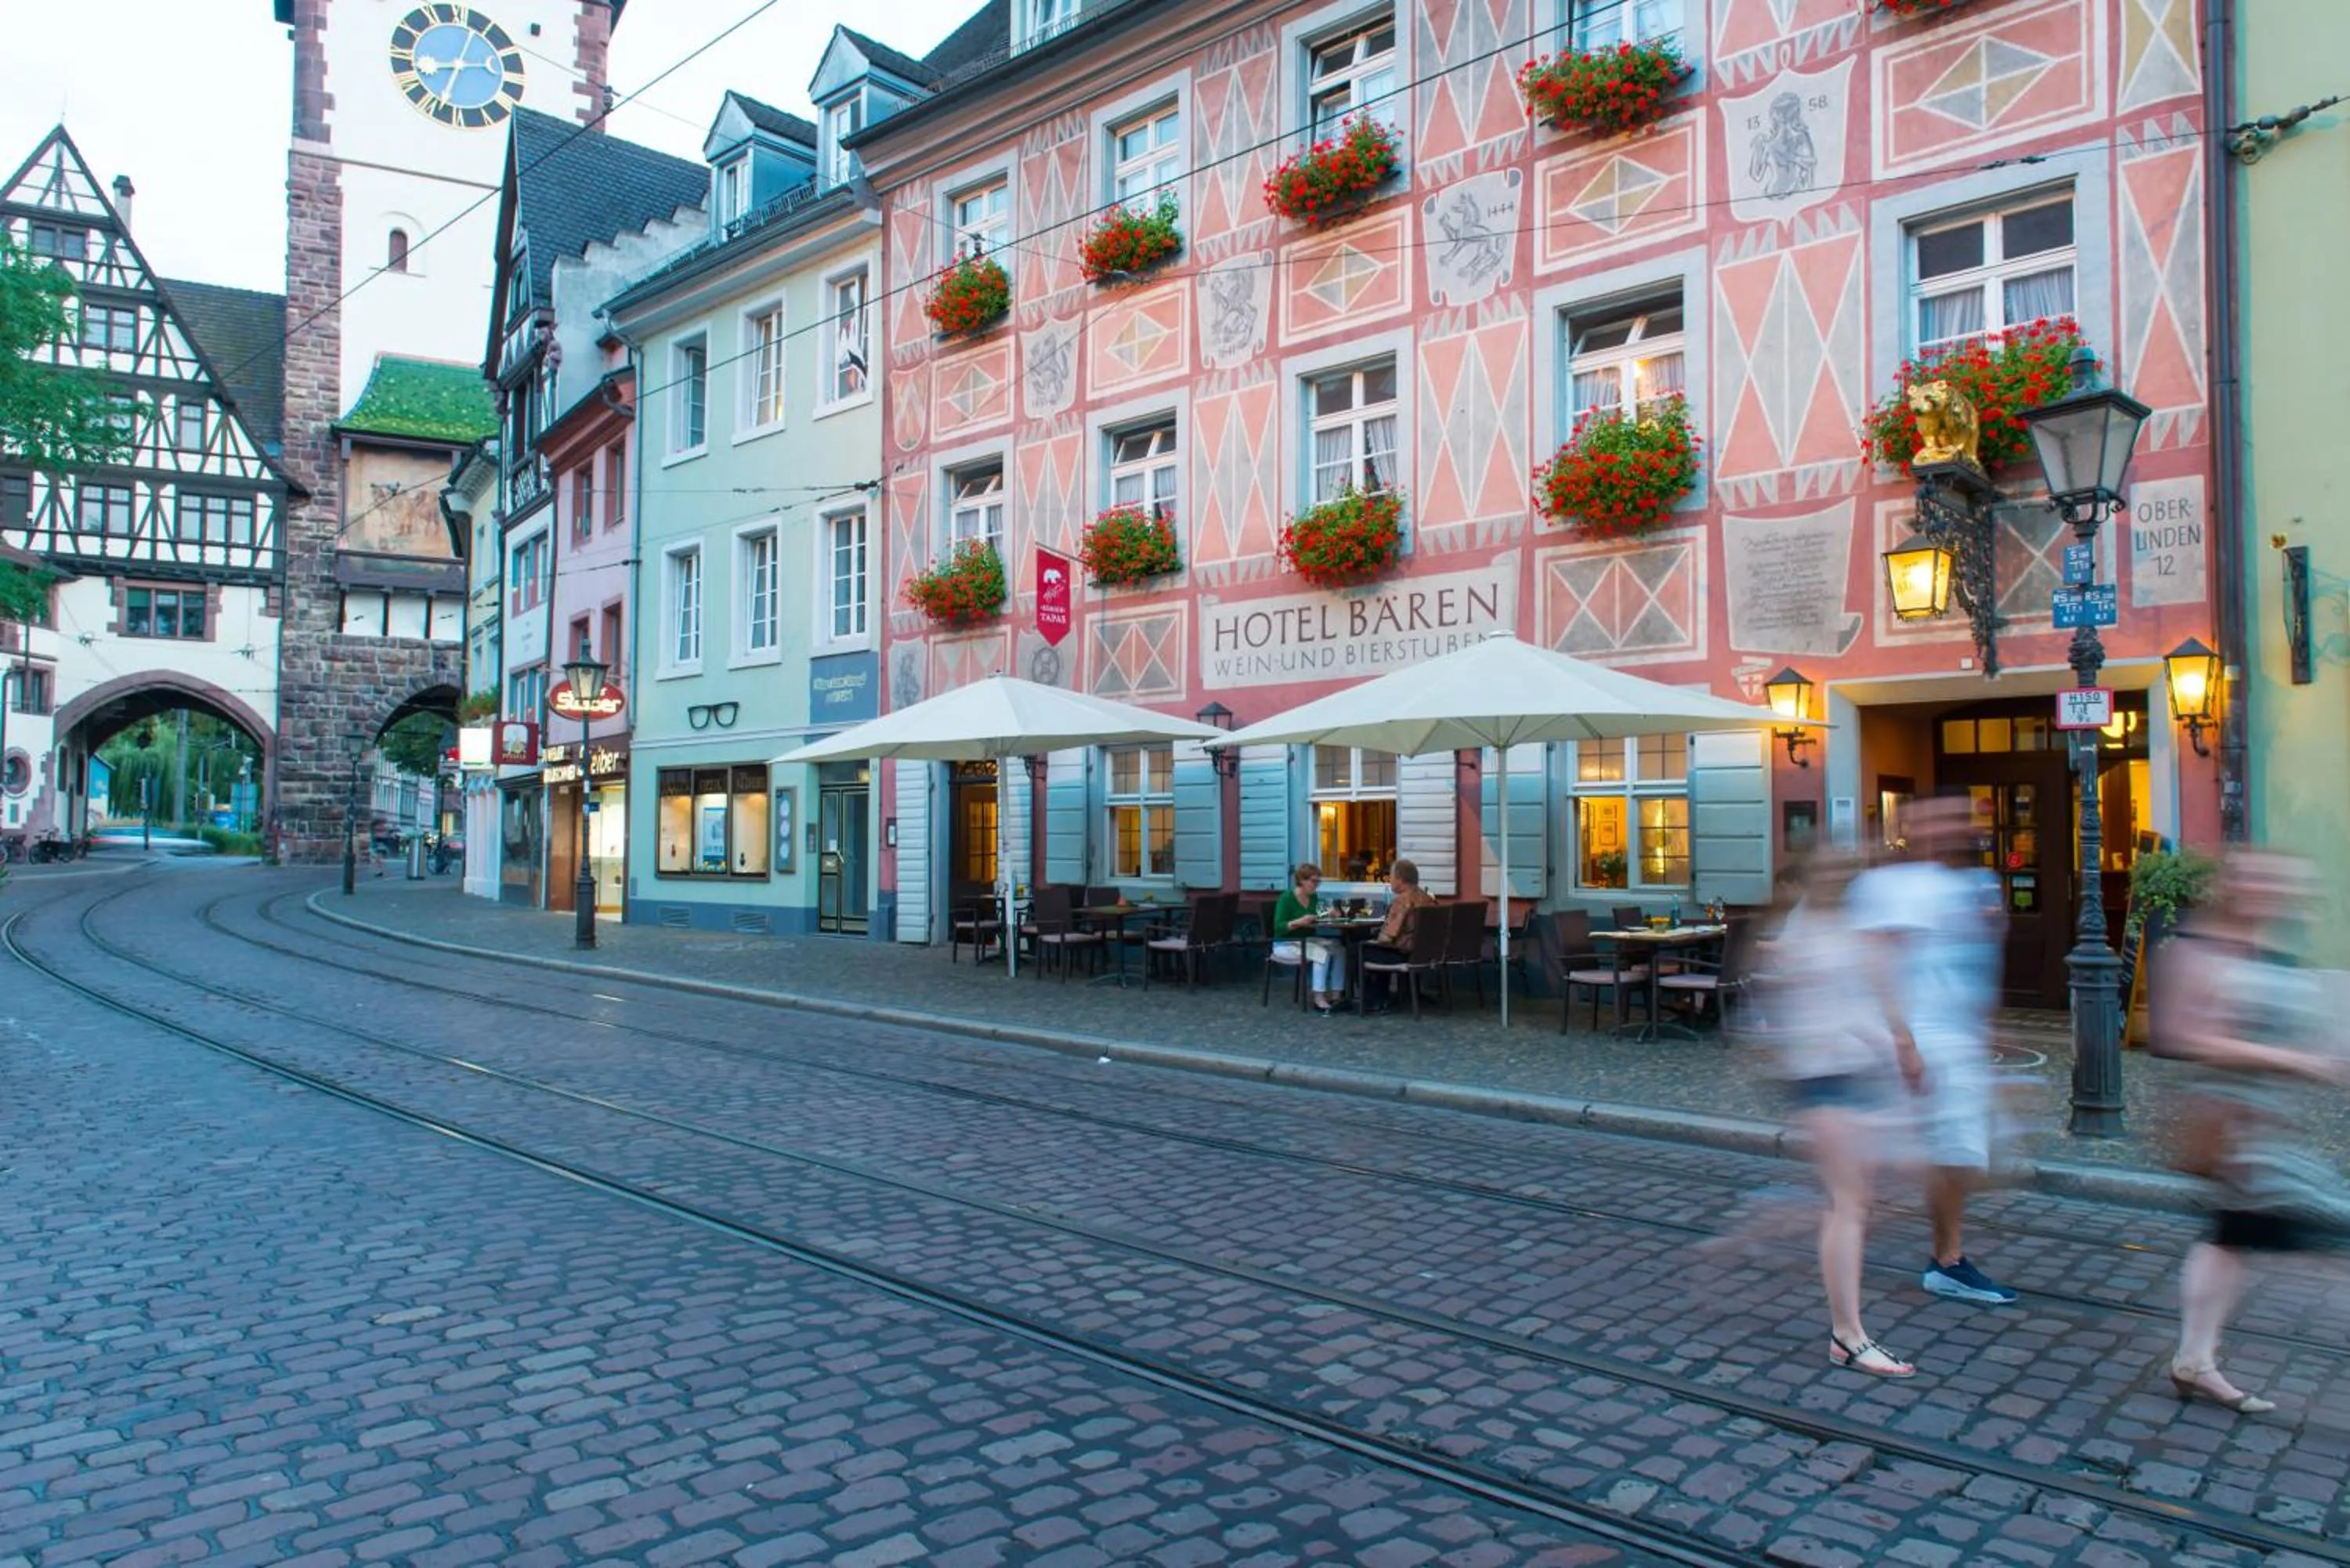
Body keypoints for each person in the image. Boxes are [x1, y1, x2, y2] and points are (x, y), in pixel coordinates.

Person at [2157, 851, 2350, 1413]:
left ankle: (2194, 1359)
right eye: (2261, 883)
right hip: (2235, 1132)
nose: (2275, 895)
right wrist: (2289, 1060)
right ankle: (2194, 1359)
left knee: (2228, 1240)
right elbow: (2182, 1037)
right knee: (2330, 1229)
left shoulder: (2270, 952)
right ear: (2233, 890)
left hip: (2264, 1133)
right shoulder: (2195, 950)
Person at [1846, 795, 2016, 1305]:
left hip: (1956, 1040)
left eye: (1954, 820)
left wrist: (1988, 1027)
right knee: (1954, 1154)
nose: (1946, 830)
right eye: (1933, 820)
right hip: (1924, 1040)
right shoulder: (1888, 886)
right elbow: (1877, 967)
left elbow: (1973, 962)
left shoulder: (1965, 885)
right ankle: (1945, 1260)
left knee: (1963, 1156)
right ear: (1909, 828)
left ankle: (1940, 1251)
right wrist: (1904, 1040)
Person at [1765, 854, 1918, 1377]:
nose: (1840, 879)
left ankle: (1846, 1327)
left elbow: (1873, 996)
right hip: (1822, 1079)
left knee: (1855, 1202)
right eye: (1831, 872)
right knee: (1848, 1203)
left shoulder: (1847, 925)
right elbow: (1810, 1018)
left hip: (1857, 1075)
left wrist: (1897, 1044)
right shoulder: (1802, 933)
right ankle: (1848, 1335)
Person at [1360, 858, 1437, 1013]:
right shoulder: (1428, 900)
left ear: (1400, 879)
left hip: (1403, 953)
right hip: (1422, 953)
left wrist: (1374, 939)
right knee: (1378, 950)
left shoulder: (1401, 902)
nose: (1390, 880)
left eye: (1391, 876)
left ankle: (1374, 1000)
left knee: (1358, 951)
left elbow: (1388, 937)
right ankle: (1400, 995)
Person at [1271, 862, 1345, 1013]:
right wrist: (1298, 922)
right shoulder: (1287, 898)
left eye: (1318, 881)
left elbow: (1321, 912)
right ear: (1302, 881)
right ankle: (1319, 997)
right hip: (1285, 944)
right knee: (1321, 953)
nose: (1316, 885)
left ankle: (1337, 994)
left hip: (1307, 940)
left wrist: (1331, 912)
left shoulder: (1313, 898)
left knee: (1339, 949)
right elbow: (1278, 927)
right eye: (1313, 881)